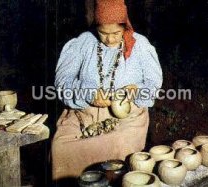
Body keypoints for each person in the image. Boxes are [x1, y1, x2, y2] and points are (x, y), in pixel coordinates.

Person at [51, 0, 163, 181]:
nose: (109, 39)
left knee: (117, 144)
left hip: (128, 117)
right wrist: (88, 94)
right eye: (102, 33)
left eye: (116, 33)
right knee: (62, 146)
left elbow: (154, 84)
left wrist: (137, 90)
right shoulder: (82, 43)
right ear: (96, 26)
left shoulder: (140, 45)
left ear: (125, 27)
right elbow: (62, 81)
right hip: (84, 113)